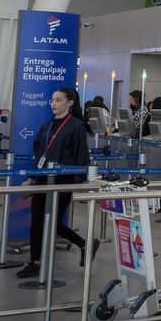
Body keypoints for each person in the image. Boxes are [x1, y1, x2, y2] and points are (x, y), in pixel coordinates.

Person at [16, 88, 97, 279]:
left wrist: (77, 182)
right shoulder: (47, 126)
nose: (53, 103)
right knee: (37, 220)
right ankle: (35, 262)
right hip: (43, 179)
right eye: (52, 100)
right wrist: (31, 178)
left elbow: (81, 156)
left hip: (63, 180)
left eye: (58, 100)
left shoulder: (76, 126)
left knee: (51, 222)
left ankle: (84, 244)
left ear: (70, 103)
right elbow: (40, 154)